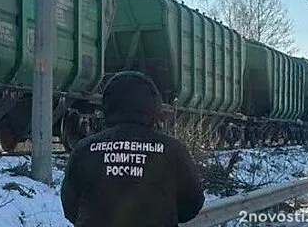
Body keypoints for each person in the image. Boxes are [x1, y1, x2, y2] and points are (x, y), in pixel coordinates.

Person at [60, 71, 205, 227]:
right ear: (153, 106)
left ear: (108, 105)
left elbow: (70, 206)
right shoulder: (173, 150)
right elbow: (192, 204)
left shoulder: (85, 149)